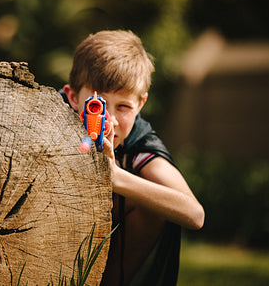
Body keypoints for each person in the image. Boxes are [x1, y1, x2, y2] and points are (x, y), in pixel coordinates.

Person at [60, 30, 204, 286]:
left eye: (123, 107)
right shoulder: (49, 120)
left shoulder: (140, 145)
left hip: (114, 262)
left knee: (152, 205)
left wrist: (115, 177)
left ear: (141, 104)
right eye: (98, 106)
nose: (111, 120)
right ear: (72, 97)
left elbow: (194, 214)